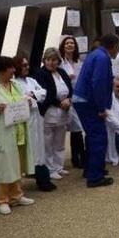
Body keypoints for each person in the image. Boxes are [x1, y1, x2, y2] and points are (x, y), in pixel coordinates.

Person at [0, 56, 36, 214]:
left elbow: (22, 100)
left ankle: (16, 195)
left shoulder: (16, 84)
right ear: (2, 70)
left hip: (18, 130)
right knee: (3, 166)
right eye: (11, 68)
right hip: (1, 133)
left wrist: (27, 102)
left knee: (16, 163)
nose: (14, 70)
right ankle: (2, 199)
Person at [73, 34, 119, 188]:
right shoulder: (103, 58)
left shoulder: (94, 54)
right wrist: (101, 108)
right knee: (98, 137)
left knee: (92, 136)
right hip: (89, 101)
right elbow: (98, 83)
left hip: (82, 99)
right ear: (113, 46)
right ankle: (95, 177)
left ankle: (92, 168)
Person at [14, 55, 54, 188]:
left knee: (40, 146)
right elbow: (21, 99)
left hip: (37, 116)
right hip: (26, 118)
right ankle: (37, 175)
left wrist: (32, 95)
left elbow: (43, 92)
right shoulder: (14, 83)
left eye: (27, 65)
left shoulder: (31, 80)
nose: (27, 67)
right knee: (32, 148)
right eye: (24, 65)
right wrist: (31, 96)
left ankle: (42, 176)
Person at [36, 47, 73, 190]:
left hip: (64, 112)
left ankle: (59, 166)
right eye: (48, 60)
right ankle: (50, 169)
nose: (51, 63)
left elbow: (70, 88)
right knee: (48, 142)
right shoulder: (41, 74)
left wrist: (69, 100)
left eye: (54, 60)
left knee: (60, 141)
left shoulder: (62, 72)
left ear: (58, 61)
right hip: (50, 112)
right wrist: (60, 103)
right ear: (44, 60)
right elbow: (46, 94)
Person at [60, 36, 87, 170]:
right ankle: (77, 156)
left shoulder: (79, 61)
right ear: (63, 46)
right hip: (65, 98)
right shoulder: (60, 62)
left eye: (72, 43)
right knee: (73, 127)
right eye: (67, 43)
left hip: (78, 97)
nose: (70, 45)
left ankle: (78, 156)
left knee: (77, 128)